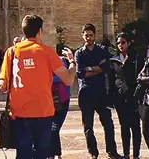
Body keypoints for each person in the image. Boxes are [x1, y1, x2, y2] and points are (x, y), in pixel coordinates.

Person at [0, 14, 77, 159]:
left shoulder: (12, 52)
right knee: (42, 152)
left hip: (19, 112)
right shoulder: (47, 52)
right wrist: (72, 62)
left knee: (23, 153)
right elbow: (69, 80)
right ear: (40, 31)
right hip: (43, 111)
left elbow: (3, 85)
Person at [74, 23, 119, 159]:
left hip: (100, 92)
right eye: (86, 35)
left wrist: (88, 68)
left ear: (95, 35)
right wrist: (95, 69)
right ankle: (93, 152)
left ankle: (112, 151)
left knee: (108, 124)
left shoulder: (102, 50)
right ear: (82, 36)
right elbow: (80, 73)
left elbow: (105, 68)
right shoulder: (79, 53)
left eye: (91, 35)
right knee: (88, 127)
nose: (88, 38)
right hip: (86, 93)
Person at [111, 33, 142, 159]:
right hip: (120, 98)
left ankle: (136, 154)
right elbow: (112, 78)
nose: (120, 45)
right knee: (124, 126)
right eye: (118, 43)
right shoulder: (114, 60)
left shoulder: (136, 58)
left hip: (133, 97)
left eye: (123, 42)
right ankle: (126, 154)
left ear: (128, 43)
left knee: (135, 126)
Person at [51, 51, 72, 159]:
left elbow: (65, 78)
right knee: (52, 129)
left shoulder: (62, 64)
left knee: (54, 128)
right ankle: (56, 154)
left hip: (62, 101)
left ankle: (54, 154)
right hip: (51, 102)